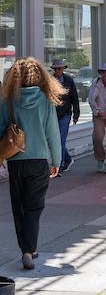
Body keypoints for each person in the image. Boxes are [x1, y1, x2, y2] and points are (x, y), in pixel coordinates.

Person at [0, 57, 64, 270]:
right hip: (38, 161)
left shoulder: (7, 99)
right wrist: (56, 160)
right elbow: (53, 133)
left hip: (16, 160)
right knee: (34, 206)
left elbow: (1, 130)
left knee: (18, 206)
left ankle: (25, 248)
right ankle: (30, 249)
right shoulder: (45, 99)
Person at [50, 59, 80, 175]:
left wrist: (76, 114)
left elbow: (75, 98)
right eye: (55, 69)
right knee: (55, 141)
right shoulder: (50, 81)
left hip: (66, 114)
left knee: (60, 140)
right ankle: (67, 159)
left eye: (59, 68)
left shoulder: (69, 80)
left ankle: (60, 165)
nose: (57, 71)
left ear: (63, 69)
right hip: (53, 114)